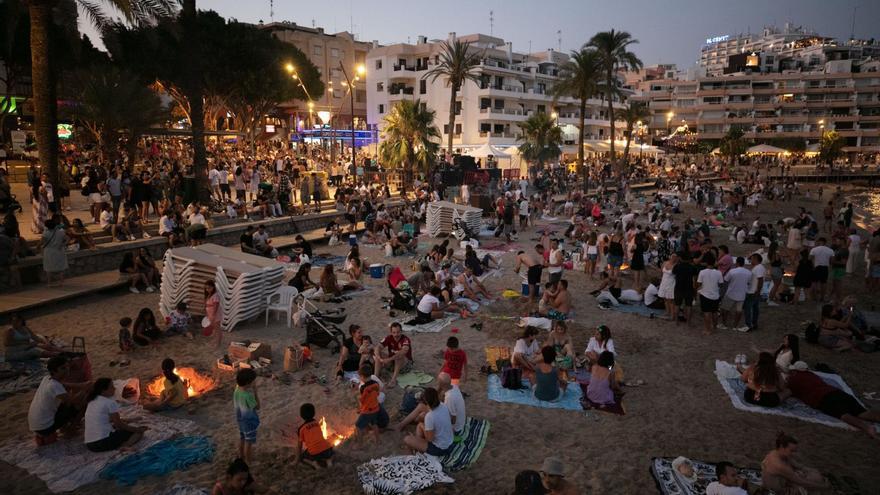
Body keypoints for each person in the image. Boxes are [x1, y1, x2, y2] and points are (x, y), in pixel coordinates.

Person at [786, 361, 880, 438]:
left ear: (795, 371)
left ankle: (867, 428)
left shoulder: (794, 379)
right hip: (837, 392)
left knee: (843, 414)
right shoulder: (812, 375)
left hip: (824, 398)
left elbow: (787, 390)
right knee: (862, 413)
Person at [28, 356, 90, 443]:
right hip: (45, 427)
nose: (67, 370)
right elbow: (74, 400)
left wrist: (82, 385)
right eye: (63, 368)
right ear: (54, 371)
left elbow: (64, 385)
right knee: (84, 401)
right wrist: (85, 389)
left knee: (66, 402)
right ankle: (71, 430)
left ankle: (64, 427)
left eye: (67, 367)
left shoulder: (46, 378)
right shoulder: (54, 386)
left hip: (36, 426)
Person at [84, 378, 147, 452]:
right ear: (104, 390)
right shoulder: (109, 402)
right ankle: (125, 445)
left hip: (90, 445)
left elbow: (111, 420)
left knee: (119, 428)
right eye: (111, 387)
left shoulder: (92, 401)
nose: (114, 388)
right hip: (102, 442)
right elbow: (119, 424)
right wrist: (137, 429)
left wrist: (130, 420)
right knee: (138, 432)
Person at [761, 433, 830, 494]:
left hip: (781, 482)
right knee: (814, 484)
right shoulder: (779, 465)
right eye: (792, 451)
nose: (793, 454)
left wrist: (810, 471)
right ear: (782, 447)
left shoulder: (775, 452)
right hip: (781, 491)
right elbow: (802, 482)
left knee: (814, 474)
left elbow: (798, 466)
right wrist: (823, 486)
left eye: (795, 451)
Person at [402, 387, 453, 457]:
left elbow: (430, 439)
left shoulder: (430, 417)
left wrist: (424, 427)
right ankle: (418, 449)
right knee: (420, 425)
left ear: (426, 401)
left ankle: (412, 458)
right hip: (449, 442)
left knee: (407, 439)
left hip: (441, 448)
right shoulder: (443, 405)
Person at [294, 403, 334, 469]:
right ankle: (329, 460)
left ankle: (314, 464)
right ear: (314, 413)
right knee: (330, 452)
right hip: (327, 449)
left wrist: (296, 460)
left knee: (302, 457)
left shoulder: (301, 429)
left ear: (301, 415)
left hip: (314, 453)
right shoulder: (317, 423)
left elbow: (299, 446)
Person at [355, 364, 389, 440]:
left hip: (369, 410)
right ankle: (378, 440)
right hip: (376, 407)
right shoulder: (375, 383)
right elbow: (377, 393)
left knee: (358, 425)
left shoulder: (363, 388)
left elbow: (363, 400)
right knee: (374, 424)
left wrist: (359, 402)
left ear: (362, 377)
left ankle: (359, 444)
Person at [234, 368, 260, 464]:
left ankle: (241, 457)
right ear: (248, 383)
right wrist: (255, 392)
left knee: (242, 438)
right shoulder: (247, 395)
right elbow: (258, 407)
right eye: (253, 381)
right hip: (249, 421)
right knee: (248, 442)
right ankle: (249, 461)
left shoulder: (237, 389)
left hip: (240, 419)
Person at [375, 322, 412, 387]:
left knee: (399, 355)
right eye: (394, 332)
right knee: (378, 353)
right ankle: (375, 377)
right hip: (392, 362)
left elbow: (403, 351)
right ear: (391, 332)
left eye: (398, 332)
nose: (396, 334)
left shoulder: (405, 339)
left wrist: (388, 359)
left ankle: (393, 380)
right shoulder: (389, 338)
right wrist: (379, 357)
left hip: (405, 365)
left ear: (401, 331)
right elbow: (378, 347)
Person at [720, 257, 751, 332]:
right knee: (739, 311)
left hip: (731, 293)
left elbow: (726, 280)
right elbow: (748, 282)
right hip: (742, 294)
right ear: (743, 263)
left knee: (725, 309)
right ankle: (735, 325)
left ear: (737, 263)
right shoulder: (748, 272)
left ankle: (724, 324)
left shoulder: (732, 271)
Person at [696, 254, 723, 335]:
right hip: (715, 295)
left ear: (706, 263)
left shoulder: (702, 272)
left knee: (707, 313)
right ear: (714, 262)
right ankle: (715, 327)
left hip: (705, 294)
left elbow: (699, 283)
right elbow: (721, 285)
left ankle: (708, 330)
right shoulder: (718, 272)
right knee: (714, 312)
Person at [672, 252, 697, 324]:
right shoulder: (692, 267)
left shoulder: (677, 266)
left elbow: (673, 273)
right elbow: (695, 279)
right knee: (689, 306)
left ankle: (676, 321)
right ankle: (688, 322)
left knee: (677, 305)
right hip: (689, 288)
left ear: (681, 258)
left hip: (678, 288)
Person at [41, 218, 67, 287]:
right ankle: (61, 282)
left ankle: (49, 283)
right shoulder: (61, 231)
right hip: (59, 250)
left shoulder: (45, 233)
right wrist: (63, 244)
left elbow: (42, 242)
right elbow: (67, 239)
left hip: (49, 251)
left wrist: (38, 247)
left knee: (48, 267)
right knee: (60, 267)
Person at [809, 237, 834, 302]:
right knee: (823, 283)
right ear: (825, 243)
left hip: (816, 267)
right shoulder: (830, 250)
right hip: (825, 267)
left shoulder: (814, 249)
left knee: (814, 282)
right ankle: (822, 297)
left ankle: (814, 297)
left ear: (819, 242)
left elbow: (810, 259)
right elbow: (832, 261)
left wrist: (812, 266)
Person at [205, 280, 223, 348]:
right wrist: (208, 314)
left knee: (217, 329)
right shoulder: (210, 294)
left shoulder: (216, 295)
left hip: (215, 314)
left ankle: (218, 343)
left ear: (213, 287)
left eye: (209, 288)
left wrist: (213, 315)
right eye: (206, 288)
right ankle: (215, 341)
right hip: (210, 314)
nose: (207, 289)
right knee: (214, 329)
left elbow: (216, 306)